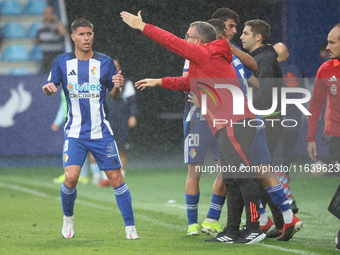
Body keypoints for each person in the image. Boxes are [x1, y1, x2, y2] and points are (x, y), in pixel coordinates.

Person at [121, 11, 266, 244]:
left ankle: (254, 228)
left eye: (188, 36)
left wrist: (143, 26)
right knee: (231, 178)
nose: (185, 39)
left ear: (198, 41)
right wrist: (160, 82)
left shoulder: (205, 53)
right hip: (227, 123)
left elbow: (172, 42)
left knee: (243, 177)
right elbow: (189, 83)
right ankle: (232, 230)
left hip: (235, 123)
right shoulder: (207, 59)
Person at [42, 18, 138, 240]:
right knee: (71, 177)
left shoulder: (104, 62)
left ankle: (130, 227)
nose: (87, 38)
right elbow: (51, 87)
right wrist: (48, 90)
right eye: (82, 34)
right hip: (75, 132)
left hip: (100, 132)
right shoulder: (62, 62)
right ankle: (68, 219)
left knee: (116, 178)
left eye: (90, 33)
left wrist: (117, 86)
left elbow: (113, 94)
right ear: (73, 36)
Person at [240, 20, 302, 238]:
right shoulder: (260, 58)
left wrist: (241, 103)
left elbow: (264, 94)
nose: (241, 37)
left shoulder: (264, 59)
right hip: (266, 121)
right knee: (257, 175)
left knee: (257, 175)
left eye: (245, 33)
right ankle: (277, 220)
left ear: (258, 37)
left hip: (266, 122)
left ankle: (277, 220)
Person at [307, 24, 340, 250]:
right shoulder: (326, 69)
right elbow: (316, 103)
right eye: (328, 41)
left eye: (332, 42)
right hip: (335, 135)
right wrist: (310, 137)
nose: (327, 47)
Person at [273, 42, 304, 213]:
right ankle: (285, 193)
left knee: (276, 162)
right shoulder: (297, 72)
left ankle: (287, 199)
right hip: (295, 124)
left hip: (279, 123)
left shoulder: (273, 72)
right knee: (285, 161)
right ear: (288, 54)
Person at [98, 58, 138, 186]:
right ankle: (106, 178)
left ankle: (120, 178)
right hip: (103, 121)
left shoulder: (126, 83)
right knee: (104, 149)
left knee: (121, 149)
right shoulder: (99, 83)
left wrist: (133, 116)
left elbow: (132, 101)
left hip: (120, 120)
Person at [51, 90, 102, 185]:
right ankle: (79, 174)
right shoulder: (65, 88)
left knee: (89, 147)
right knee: (76, 148)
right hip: (72, 122)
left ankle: (96, 175)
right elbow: (64, 106)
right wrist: (58, 121)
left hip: (84, 121)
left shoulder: (83, 83)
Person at [34, 6, 67, 74]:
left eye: (49, 13)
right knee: (43, 75)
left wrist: (56, 21)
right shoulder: (40, 27)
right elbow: (37, 39)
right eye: (46, 13)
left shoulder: (57, 25)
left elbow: (64, 33)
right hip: (45, 56)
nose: (47, 15)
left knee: (56, 74)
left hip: (56, 55)